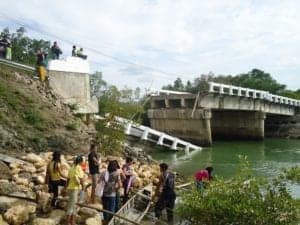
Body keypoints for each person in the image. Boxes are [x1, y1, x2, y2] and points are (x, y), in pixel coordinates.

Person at [100, 160, 122, 224]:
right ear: (115, 167)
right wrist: (115, 189)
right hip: (112, 194)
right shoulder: (116, 174)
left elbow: (100, 182)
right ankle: (110, 222)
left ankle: (105, 221)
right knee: (111, 210)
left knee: (105, 208)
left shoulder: (104, 173)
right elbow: (120, 185)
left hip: (104, 194)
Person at [66, 155, 85, 225]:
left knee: (72, 205)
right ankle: (68, 222)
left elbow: (68, 179)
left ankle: (72, 221)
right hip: (75, 188)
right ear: (80, 161)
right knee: (72, 205)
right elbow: (81, 179)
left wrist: (66, 187)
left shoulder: (72, 168)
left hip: (70, 188)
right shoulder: (78, 168)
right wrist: (83, 187)